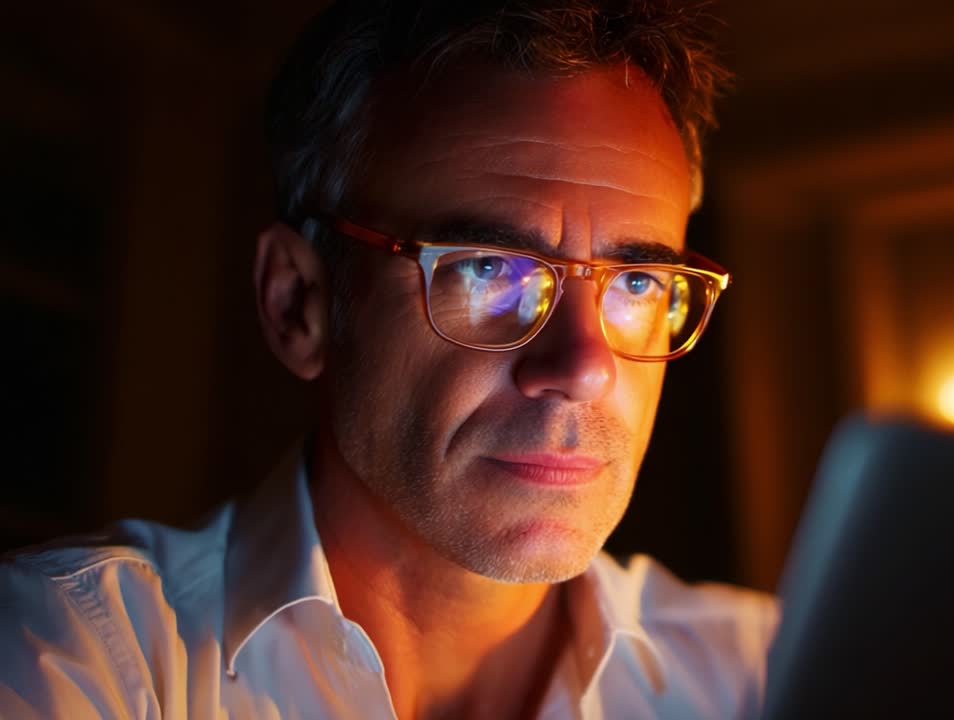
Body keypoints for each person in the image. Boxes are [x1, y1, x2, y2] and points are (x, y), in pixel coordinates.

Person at [0, 1, 777, 718]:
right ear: (297, 305)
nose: (583, 367)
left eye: (636, 282)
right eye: (486, 268)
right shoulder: (72, 654)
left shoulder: (771, 677)